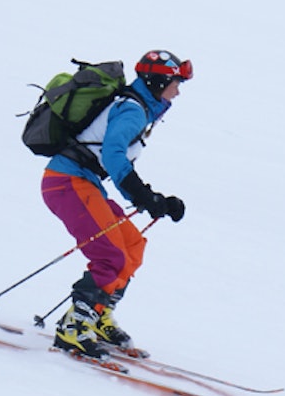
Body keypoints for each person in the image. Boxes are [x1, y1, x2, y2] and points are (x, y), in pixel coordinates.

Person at [41, 49, 192, 358]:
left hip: (84, 184)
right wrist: (144, 196)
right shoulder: (133, 110)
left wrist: (154, 200)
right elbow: (113, 155)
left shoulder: (138, 109)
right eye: (174, 84)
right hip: (66, 183)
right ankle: (74, 327)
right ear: (156, 82)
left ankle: (96, 318)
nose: (177, 92)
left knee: (131, 246)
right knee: (111, 255)